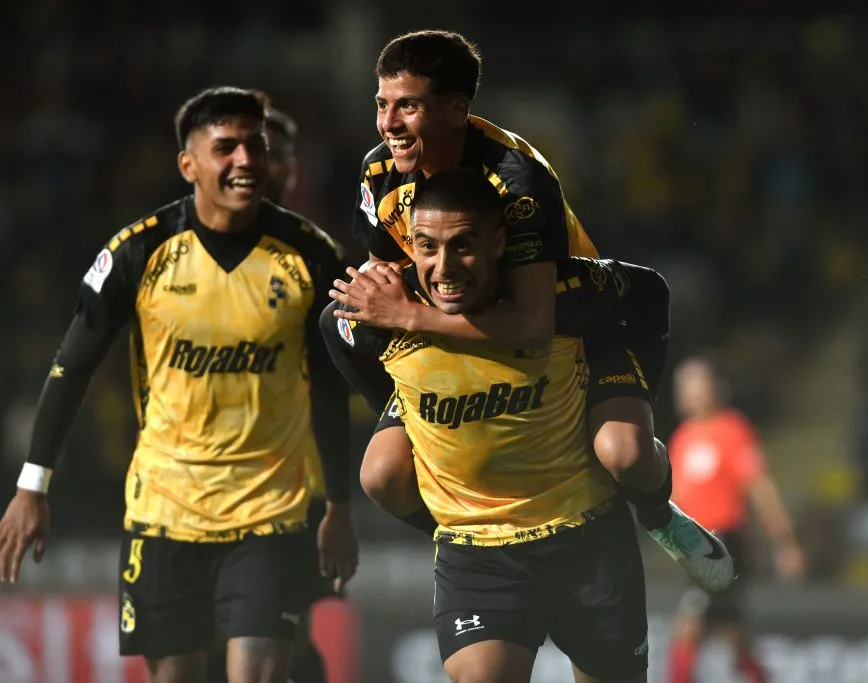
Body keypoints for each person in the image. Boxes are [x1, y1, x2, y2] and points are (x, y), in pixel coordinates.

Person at [331, 28, 731, 587]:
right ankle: (456, 533)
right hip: (461, 324)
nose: (389, 124)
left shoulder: (516, 180)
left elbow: (531, 322)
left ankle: (660, 517)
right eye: (382, 105)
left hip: (575, 323)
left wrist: (412, 318)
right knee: (378, 469)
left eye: (407, 107)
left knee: (624, 453)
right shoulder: (380, 173)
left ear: (456, 110)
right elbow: (382, 282)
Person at [0, 86, 357, 683]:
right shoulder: (140, 252)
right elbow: (72, 366)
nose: (244, 160)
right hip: (165, 512)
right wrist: (32, 487)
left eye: (254, 146)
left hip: (270, 510)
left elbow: (329, 386)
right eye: (226, 148)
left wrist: (340, 506)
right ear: (188, 164)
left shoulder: (310, 256)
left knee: (263, 670)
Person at [325, 167, 657, 682]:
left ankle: (659, 502)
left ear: (500, 242)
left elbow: (650, 292)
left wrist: (634, 398)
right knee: (380, 474)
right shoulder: (378, 310)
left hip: (585, 537)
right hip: (478, 550)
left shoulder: (558, 298)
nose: (443, 266)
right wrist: (398, 408)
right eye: (427, 247)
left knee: (629, 452)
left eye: (463, 246)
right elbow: (334, 331)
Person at [202, 91, 332, 683]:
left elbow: (337, 381)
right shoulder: (187, 250)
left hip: (293, 485)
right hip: (198, 479)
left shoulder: (318, 260)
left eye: (275, 152)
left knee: (282, 634)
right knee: (209, 634)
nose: (260, 163)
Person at [665, 356, 805, 683]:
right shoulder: (681, 439)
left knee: (688, 628)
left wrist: (785, 543)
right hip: (695, 550)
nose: (688, 391)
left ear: (715, 388)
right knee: (735, 637)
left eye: (696, 382)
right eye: (683, 384)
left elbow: (760, 489)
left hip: (724, 545)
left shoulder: (732, 431)